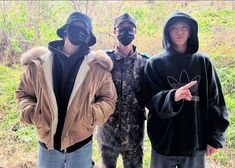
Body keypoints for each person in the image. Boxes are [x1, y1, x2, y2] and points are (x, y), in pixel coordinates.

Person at [15, 12, 117, 168]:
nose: (79, 31)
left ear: (89, 38)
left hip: (80, 145)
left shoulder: (97, 68)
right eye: (75, 27)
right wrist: (32, 113)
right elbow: (23, 94)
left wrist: (90, 115)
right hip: (47, 145)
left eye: (84, 30)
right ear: (65, 31)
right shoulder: (39, 65)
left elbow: (109, 99)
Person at [142, 11, 230, 168]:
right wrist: (172, 96)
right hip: (163, 143)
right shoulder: (155, 63)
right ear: (167, 32)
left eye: (184, 27)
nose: (180, 32)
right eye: (174, 28)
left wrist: (215, 138)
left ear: (191, 31)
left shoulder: (203, 62)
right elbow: (149, 99)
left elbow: (216, 102)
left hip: (195, 142)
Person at [97, 13, 149, 168]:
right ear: (114, 32)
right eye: (121, 28)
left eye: (130, 28)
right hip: (108, 134)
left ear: (135, 31)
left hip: (134, 137)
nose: (126, 32)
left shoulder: (146, 63)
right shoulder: (104, 61)